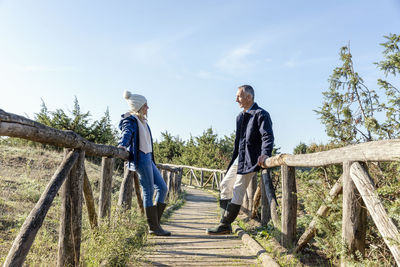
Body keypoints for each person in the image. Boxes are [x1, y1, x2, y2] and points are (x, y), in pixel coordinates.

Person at [207, 85, 274, 235]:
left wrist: (265, 153)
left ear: (249, 97)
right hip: (239, 158)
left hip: (251, 160)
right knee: (225, 185)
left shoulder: (261, 114)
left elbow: (267, 136)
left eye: (239, 96)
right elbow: (238, 141)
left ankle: (224, 225)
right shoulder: (240, 117)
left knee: (238, 189)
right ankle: (224, 223)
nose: (236, 99)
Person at [118, 90, 171, 236]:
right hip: (141, 158)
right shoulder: (130, 119)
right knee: (148, 190)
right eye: (146, 105)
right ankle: (154, 227)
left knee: (162, 187)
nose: (148, 108)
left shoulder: (143, 121)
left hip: (149, 159)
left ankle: (155, 223)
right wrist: (122, 144)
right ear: (139, 106)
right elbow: (126, 132)